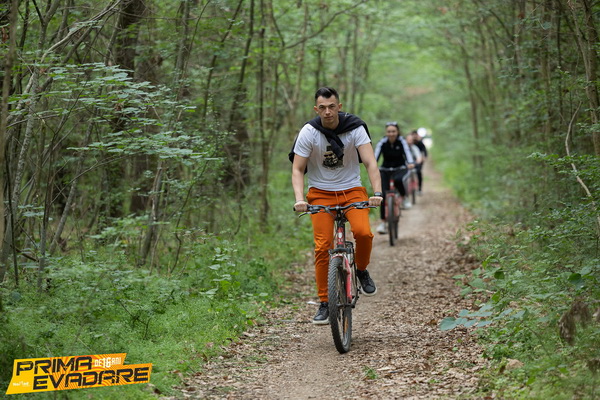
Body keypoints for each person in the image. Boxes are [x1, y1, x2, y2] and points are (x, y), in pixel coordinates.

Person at [290, 87, 383, 325]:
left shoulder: (355, 128)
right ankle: (324, 302)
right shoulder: (309, 132)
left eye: (332, 107)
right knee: (323, 246)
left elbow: (370, 163)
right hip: (320, 194)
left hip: (352, 191)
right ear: (316, 109)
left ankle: (361, 270)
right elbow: (298, 169)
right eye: (322, 108)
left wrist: (377, 193)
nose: (328, 112)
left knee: (363, 233)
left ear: (339, 107)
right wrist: (300, 199)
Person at [374, 122, 415, 234]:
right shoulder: (382, 142)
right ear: (386, 132)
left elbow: (407, 153)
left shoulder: (402, 141)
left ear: (397, 132)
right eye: (389, 131)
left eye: (393, 131)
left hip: (400, 168)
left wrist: (410, 162)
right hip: (385, 169)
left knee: (398, 180)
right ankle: (383, 223)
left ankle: (404, 197)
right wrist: (373, 165)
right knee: (382, 195)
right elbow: (375, 156)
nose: (391, 134)